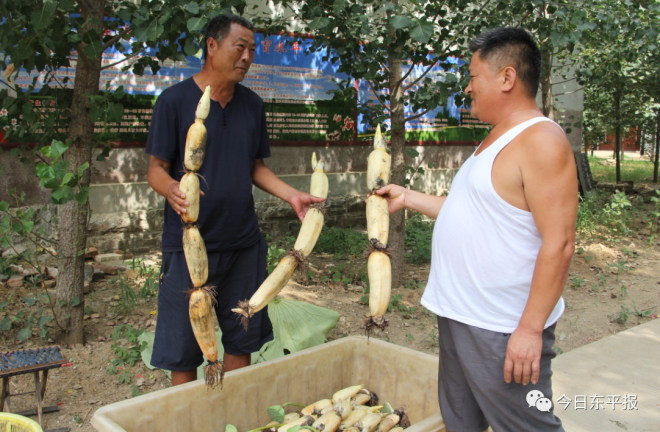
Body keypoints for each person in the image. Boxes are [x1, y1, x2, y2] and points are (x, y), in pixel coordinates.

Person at [375, 27, 577, 431]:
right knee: (462, 422)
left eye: (472, 76)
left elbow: (560, 242)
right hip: (461, 315)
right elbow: (472, 213)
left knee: (524, 425)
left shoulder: (541, 140)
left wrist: (529, 329)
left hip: (501, 327)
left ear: (506, 77)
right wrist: (409, 198)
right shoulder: (496, 139)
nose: (467, 88)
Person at [146, 14, 324, 386]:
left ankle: (231, 416)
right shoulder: (174, 101)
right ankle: (190, 420)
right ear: (212, 46)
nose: (246, 57)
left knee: (241, 335)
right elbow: (156, 170)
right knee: (185, 348)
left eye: (252, 50)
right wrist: (171, 190)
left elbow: (254, 167)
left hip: (243, 244)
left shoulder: (252, 106)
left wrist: (292, 195)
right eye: (239, 47)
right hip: (189, 246)